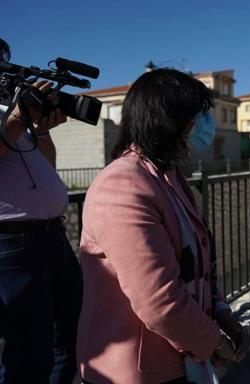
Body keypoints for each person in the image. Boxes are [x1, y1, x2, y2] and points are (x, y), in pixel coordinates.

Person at [77, 69, 245, 383]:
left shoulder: (169, 177)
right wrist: (216, 343)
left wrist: (220, 312)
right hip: (136, 371)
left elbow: (199, 265)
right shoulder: (122, 185)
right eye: (200, 115)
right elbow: (159, 300)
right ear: (169, 120)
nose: (207, 123)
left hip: (179, 362)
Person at [0, 38, 83, 384]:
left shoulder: (6, 111)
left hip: (52, 237)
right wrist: (18, 120)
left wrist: (42, 130)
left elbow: (46, 167)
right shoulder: (10, 117)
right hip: (13, 245)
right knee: (29, 351)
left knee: (71, 336)